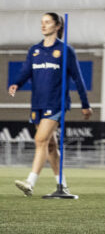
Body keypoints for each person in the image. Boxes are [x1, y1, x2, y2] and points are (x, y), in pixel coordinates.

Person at [8, 12, 92, 198]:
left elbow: (78, 78)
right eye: (42, 22)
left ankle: (30, 182)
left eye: (47, 22)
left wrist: (85, 104)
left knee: (40, 140)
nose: (43, 25)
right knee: (51, 146)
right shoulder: (35, 50)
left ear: (57, 26)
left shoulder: (65, 51)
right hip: (37, 103)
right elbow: (25, 72)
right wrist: (16, 84)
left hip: (56, 103)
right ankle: (62, 185)